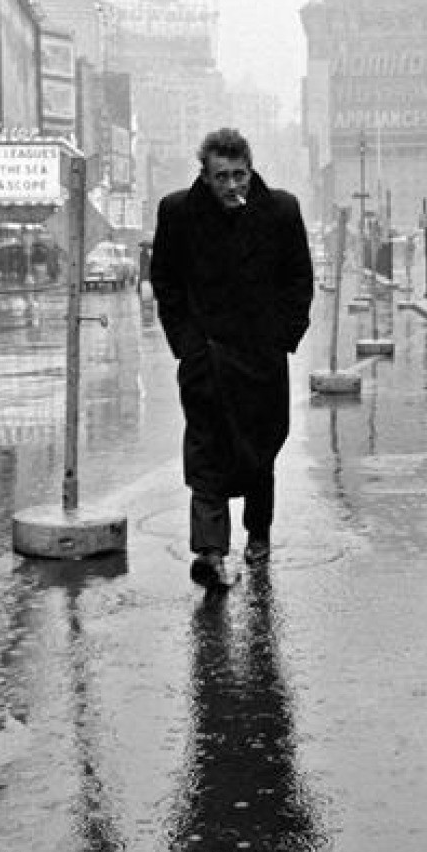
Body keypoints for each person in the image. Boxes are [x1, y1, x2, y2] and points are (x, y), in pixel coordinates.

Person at [150, 127, 314, 592]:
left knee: (260, 449)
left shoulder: (280, 211)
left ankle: (257, 532)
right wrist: (185, 342)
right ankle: (210, 551)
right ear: (204, 175)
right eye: (220, 177)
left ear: (251, 169)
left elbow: (299, 279)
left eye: (239, 175)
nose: (231, 186)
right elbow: (164, 280)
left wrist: (283, 336)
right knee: (206, 452)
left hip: (261, 360)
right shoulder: (178, 212)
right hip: (206, 358)